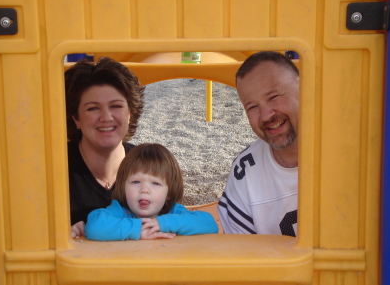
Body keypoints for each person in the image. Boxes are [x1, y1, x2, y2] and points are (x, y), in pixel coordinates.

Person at [218, 51, 299, 236]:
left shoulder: (347, 147)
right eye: (252, 107)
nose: (266, 115)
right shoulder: (246, 174)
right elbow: (241, 259)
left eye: (274, 97)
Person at [65, 57, 145, 238]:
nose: (106, 117)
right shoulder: (54, 170)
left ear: (130, 113)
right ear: (76, 118)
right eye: (93, 108)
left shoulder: (149, 165)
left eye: (116, 106)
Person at [85, 143, 219, 241]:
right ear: (123, 187)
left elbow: (209, 224)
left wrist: (165, 223)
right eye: (136, 182)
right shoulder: (121, 211)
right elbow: (94, 226)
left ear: (169, 193)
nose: (144, 190)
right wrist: (137, 229)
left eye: (155, 183)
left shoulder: (172, 212)